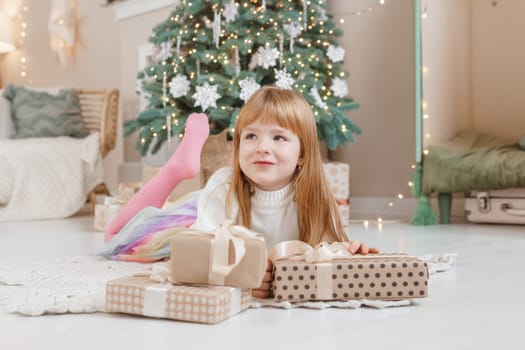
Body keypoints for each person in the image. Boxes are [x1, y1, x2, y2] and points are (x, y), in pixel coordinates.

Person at [103, 86, 378, 298]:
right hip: (198, 217)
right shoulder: (224, 185)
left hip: (212, 207)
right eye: (251, 136)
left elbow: (327, 251)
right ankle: (175, 169)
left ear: (303, 154)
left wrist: (350, 251)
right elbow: (192, 254)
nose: (262, 147)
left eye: (279, 137)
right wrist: (239, 275)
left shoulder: (315, 195)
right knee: (116, 240)